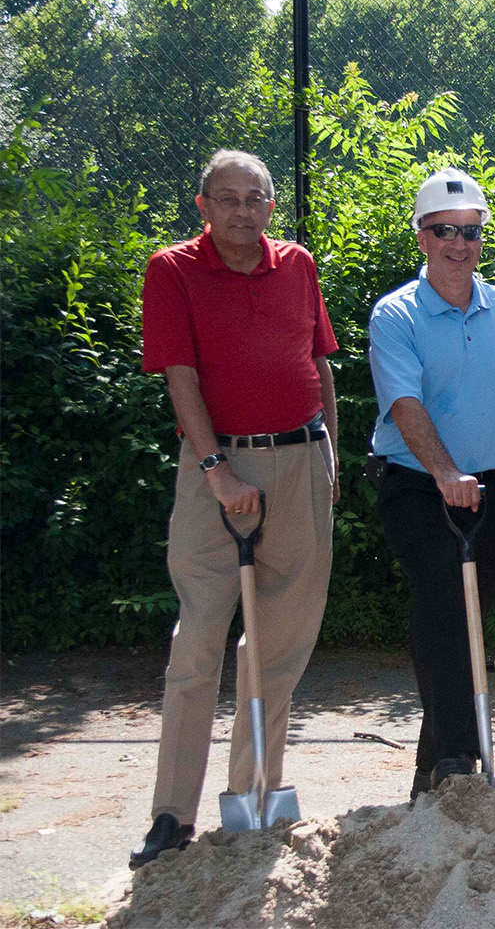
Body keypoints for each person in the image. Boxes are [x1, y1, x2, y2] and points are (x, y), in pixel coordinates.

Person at [131, 149, 338, 867]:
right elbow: (179, 373)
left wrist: (329, 459)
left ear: (271, 207)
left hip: (301, 461)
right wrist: (216, 466)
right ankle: (171, 815)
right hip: (215, 469)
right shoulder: (174, 270)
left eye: (255, 199)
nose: (242, 210)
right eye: (228, 198)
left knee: (278, 645)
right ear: (203, 206)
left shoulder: (298, 265)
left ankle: (252, 797)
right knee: (198, 643)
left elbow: (319, 363)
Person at [368, 166, 495, 796]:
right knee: (444, 603)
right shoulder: (397, 315)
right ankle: (462, 761)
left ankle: (431, 769)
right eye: (444, 230)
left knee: (471, 612)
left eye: (470, 231)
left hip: (488, 487)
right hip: (416, 484)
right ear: (422, 235)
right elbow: (405, 404)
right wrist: (445, 473)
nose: (458, 243)